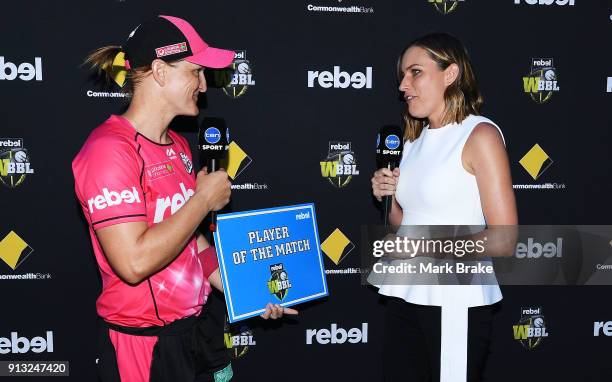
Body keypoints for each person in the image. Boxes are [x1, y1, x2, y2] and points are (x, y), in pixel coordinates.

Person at [73, 15, 295, 382]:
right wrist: (201, 202)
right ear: (160, 71)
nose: (204, 85)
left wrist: (249, 292)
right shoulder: (108, 151)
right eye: (196, 72)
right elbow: (133, 262)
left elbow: (193, 243)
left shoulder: (177, 145)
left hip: (196, 333)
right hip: (144, 347)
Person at [370, 33, 518, 382]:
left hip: (454, 299)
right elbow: (404, 226)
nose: (404, 84)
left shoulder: (480, 135)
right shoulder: (412, 141)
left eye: (415, 72)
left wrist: (424, 248)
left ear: (450, 74)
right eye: (403, 76)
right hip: (404, 290)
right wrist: (387, 198)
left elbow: (504, 239)